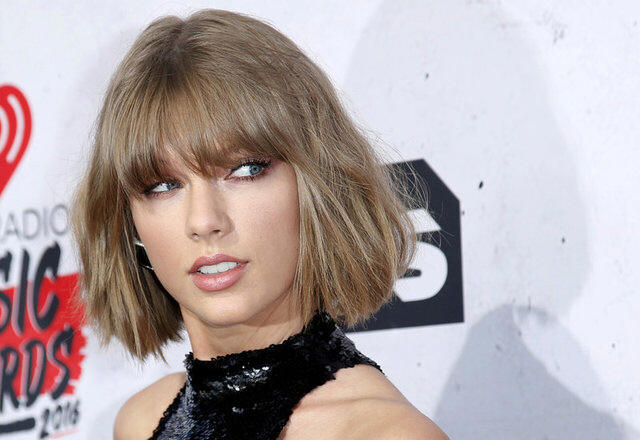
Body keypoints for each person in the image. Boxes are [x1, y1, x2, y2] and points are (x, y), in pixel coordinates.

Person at [69, 8, 449, 440]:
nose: (204, 221)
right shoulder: (139, 422)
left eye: (245, 170)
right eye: (163, 186)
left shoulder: (382, 433)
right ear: (129, 221)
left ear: (316, 184)